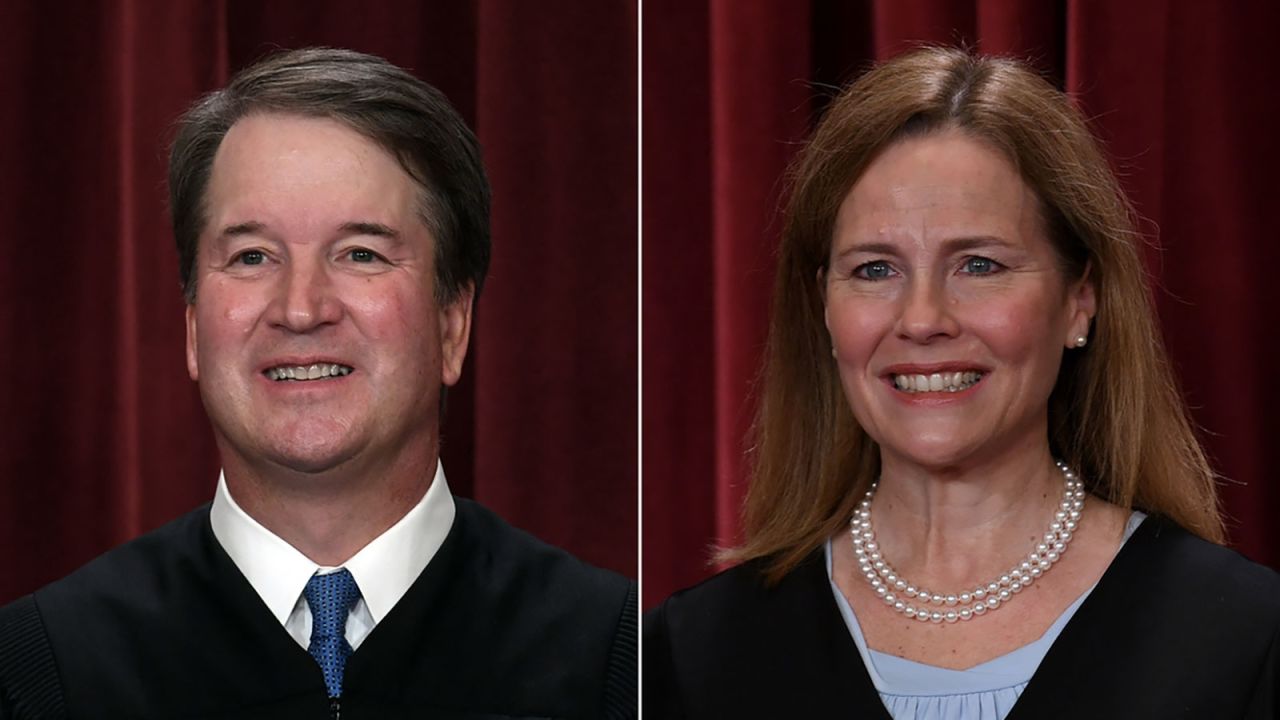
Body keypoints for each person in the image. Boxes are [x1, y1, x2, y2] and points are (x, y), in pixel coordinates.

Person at [0, 47, 635, 719]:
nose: (301, 309)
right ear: (192, 329)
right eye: (252, 257)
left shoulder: (617, 664)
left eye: (360, 254)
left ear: (452, 325)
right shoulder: (42, 674)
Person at [644, 46, 1278, 718]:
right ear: (824, 311)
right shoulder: (693, 657)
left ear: (1079, 301)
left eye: (978, 264)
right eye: (874, 270)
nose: (922, 319)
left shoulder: (1245, 639)